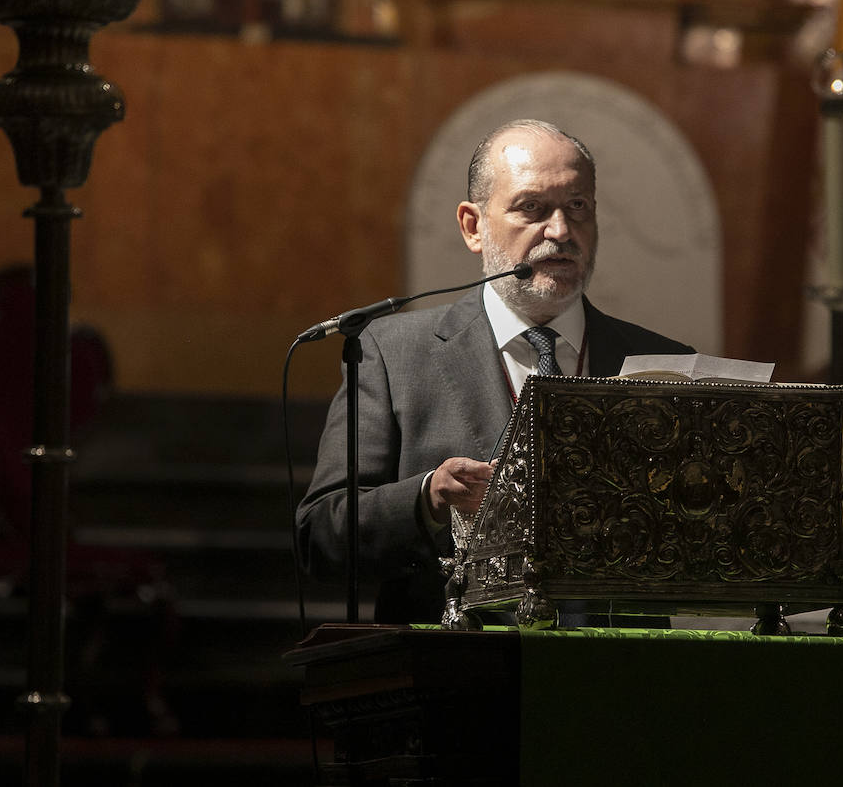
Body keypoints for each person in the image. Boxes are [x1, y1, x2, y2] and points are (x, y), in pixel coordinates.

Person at [296, 119, 693, 623]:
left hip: (610, 681)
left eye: (578, 207)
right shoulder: (391, 352)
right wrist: (427, 499)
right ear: (473, 226)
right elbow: (320, 539)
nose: (560, 231)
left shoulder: (666, 364)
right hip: (451, 677)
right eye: (531, 208)